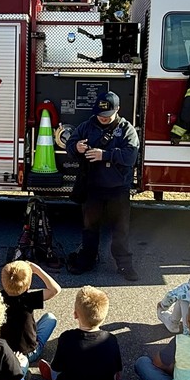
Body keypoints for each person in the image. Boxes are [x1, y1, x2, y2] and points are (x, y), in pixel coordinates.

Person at [65, 90, 141, 281]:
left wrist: (105, 155)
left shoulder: (126, 129)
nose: (103, 119)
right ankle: (88, 260)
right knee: (90, 228)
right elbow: (70, 143)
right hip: (93, 187)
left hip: (118, 189)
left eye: (107, 116)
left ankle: (124, 265)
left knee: (120, 229)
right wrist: (76, 147)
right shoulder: (87, 126)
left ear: (118, 110)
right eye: (100, 115)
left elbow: (131, 156)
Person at [40, 285, 123, 380]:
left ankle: (52, 378)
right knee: (111, 372)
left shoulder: (67, 337)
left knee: (56, 369)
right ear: (104, 316)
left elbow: (58, 367)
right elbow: (117, 369)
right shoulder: (111, 339)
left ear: (75, 314)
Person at [0, 260, 60, 366]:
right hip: (29, 351)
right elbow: (55, 290)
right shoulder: (29, 299)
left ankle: (19, 366)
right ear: (28, 285)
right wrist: (38, 270)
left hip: (5, 350)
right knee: (50, 318)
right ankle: (23, 365)